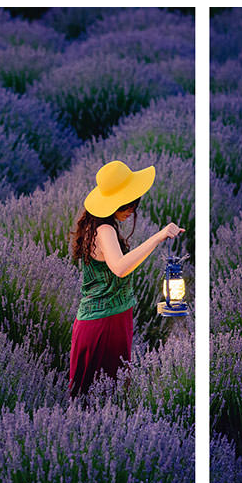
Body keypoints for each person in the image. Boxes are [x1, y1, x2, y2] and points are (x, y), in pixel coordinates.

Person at [68, 160, 184, 397]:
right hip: (104, 322)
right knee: (103, 397)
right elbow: (120, 268)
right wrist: (158, 237)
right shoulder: (104, 230)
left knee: (101, 397)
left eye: (134, 202)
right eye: (128, 203)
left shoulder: (97, 226)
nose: (132, 209)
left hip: (107, 318)